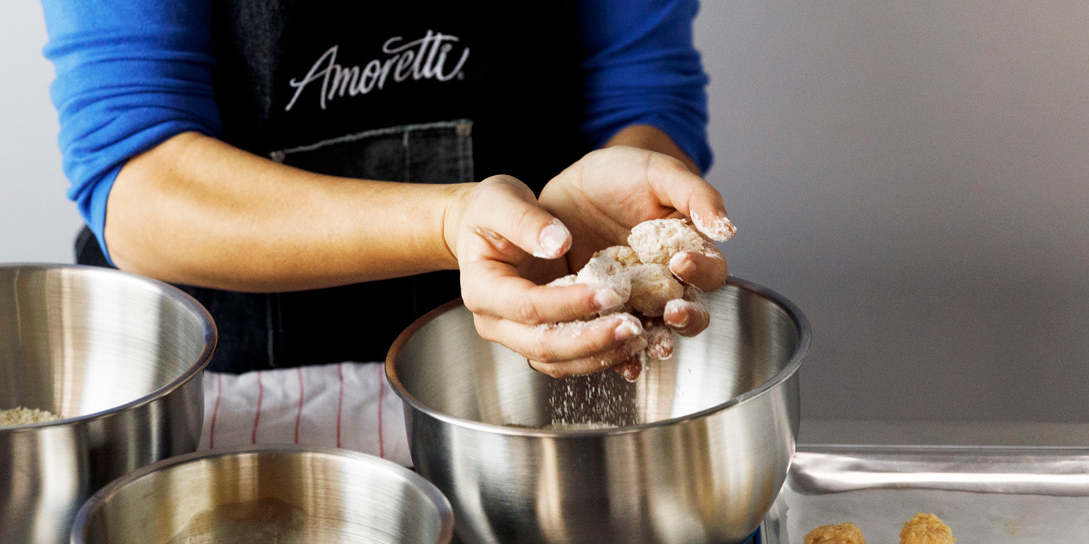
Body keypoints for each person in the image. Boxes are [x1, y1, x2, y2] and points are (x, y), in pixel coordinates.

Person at [40, 0, 735, 459]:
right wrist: (449, 223)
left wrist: (630, 213)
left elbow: (643, 91)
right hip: (230, 418)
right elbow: (137, 181)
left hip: (524, 406)